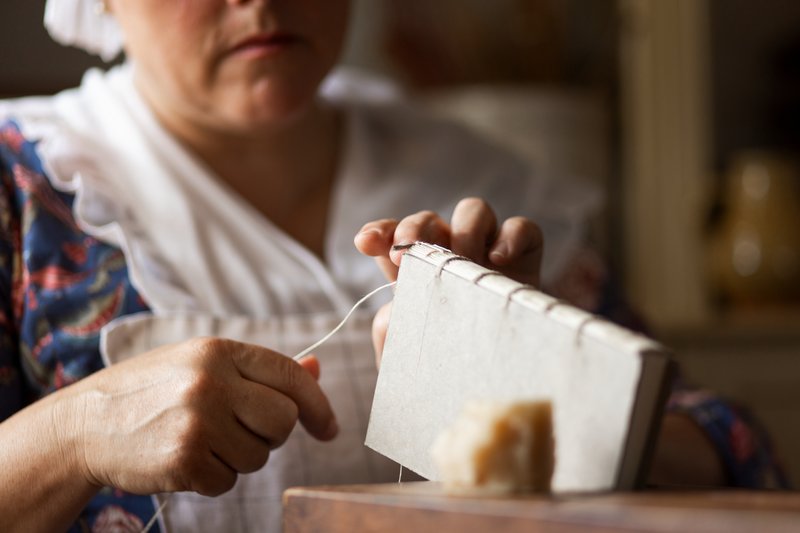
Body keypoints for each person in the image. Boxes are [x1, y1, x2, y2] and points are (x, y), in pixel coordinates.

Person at [0, 1, 786, 532]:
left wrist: (553, 402)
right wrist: (79, 430)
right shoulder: (31, 184)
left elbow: (741, 454)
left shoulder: (480, 177)